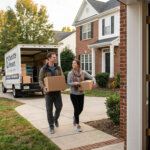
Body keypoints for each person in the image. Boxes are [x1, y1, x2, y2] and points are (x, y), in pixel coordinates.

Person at [67, 59, 96, 132]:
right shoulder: (70, 73)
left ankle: (75, 117)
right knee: (76, 109)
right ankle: (77, 125)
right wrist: (74, 83)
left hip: (81, 93)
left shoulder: (83, 72)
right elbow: (68, 83)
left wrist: (94, 82)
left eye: (74, 63)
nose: (73, 64)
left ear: (78, 65)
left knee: (81, 108)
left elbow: (92, 77)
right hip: (73, 93)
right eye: (72, 63)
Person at [39, 52, 63, 134]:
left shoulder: (58, 68)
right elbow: (40, 80)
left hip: (57, 92)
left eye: (55, 57)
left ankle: (55, 118)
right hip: (48, 93)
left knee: (59, 107)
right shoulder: (44, 69)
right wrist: (43, 87)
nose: (55, 59)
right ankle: (51, 126)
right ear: (49, 58)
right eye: (53, 57)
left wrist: (62, 85)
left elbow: (61, 78)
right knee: (49, 110)